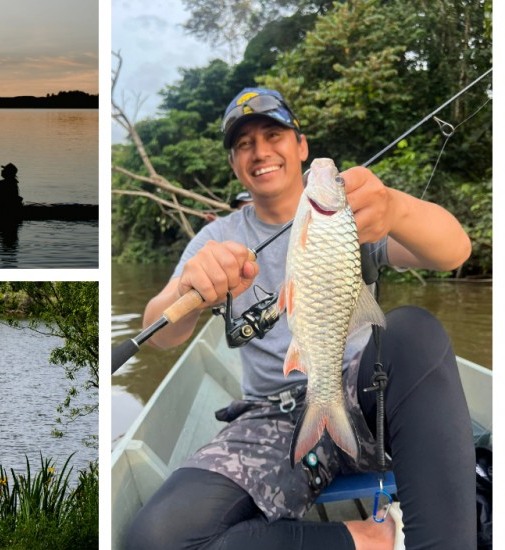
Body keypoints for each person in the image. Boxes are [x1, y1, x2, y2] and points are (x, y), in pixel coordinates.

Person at [127, 88, 475, 549]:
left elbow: (454, 252)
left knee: (413, 330)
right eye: (244, 144)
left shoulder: (352, 218)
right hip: (272, 414)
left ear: (301, 146)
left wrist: (399, 209)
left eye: (273, 134)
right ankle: (369, 538)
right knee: (156, 540)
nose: (261, 151)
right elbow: (159, 333)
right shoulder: (218, 237)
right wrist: (188, 288)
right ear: (234, 162)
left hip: (366, 394)